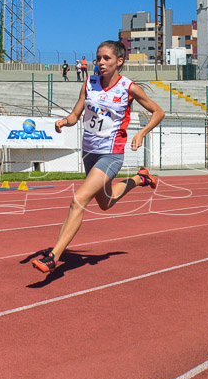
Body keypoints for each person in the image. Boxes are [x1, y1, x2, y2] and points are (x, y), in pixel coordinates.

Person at [32, 40, 165, 274]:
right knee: (105, 203)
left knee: (78, 199)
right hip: (89, 152)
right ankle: (140, 179)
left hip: (111, 154)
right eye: (98, 58)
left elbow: (158, 111)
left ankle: (54, 256)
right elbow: (75, 115)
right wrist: (65, 121)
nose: (100, 63)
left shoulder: (128, 88)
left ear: (119, 62)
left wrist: (142, 133)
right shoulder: (90, 83)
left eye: (106, 58)